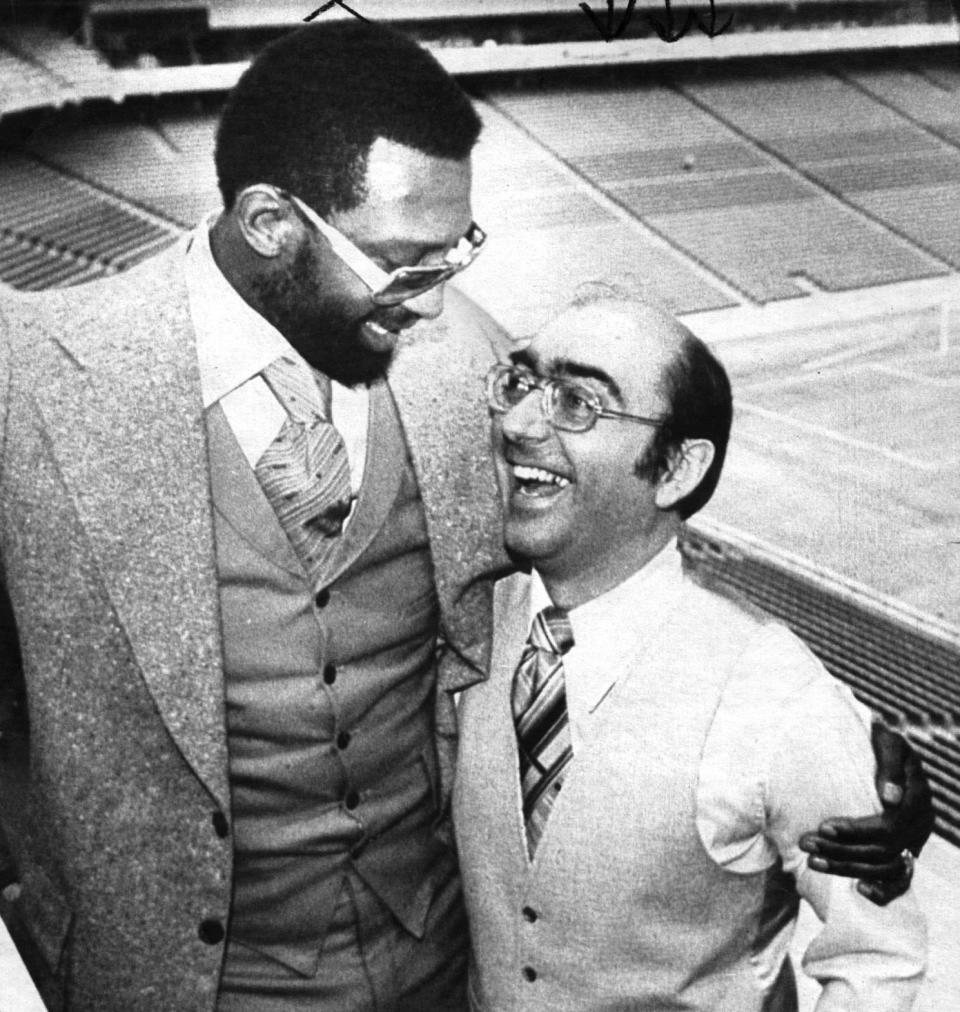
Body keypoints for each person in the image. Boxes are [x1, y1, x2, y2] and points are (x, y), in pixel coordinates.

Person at [0, 21, 932, 1012]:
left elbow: (617, 527)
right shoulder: (32, 380)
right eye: (408, 262)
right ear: (272, 221)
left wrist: (844, 753)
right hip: (169, 983)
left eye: (456, 254)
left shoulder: (463, 367)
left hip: (440, 971)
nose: (438, 307)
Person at [453, 286, 928, 1011]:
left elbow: (878, 957)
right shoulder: (466, 625)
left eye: (578, 402)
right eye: (521, 384)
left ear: (677, 468)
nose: (519, 424)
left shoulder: (777, 699)